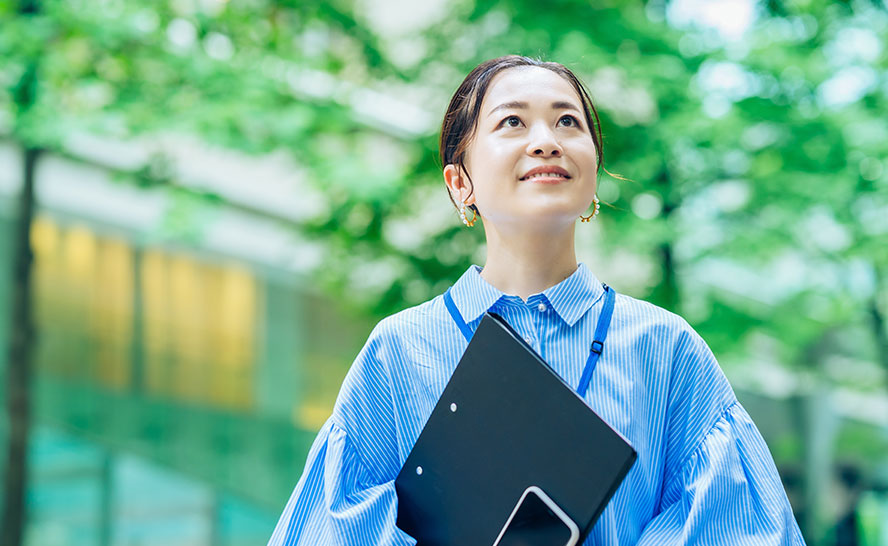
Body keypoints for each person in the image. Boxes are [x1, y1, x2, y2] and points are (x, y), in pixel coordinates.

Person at [267, 55, 806, 545]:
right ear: (461, 184)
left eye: (568, 122)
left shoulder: (666, 349)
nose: (547, 140)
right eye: (512, 122)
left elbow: (740, 529)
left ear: (593, 175)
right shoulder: (399, 352)